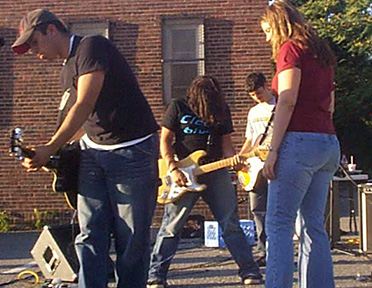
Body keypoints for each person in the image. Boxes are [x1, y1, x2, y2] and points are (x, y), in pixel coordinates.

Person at [12, 9, 159, 288]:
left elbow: (85, 104)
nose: (33, 51)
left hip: (132, 152)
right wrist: (46, 152)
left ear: (51, 30)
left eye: (34, 43)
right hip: (93, 153)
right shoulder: (66, 71)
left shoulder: (91, 46)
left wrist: (50, 147)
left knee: (131, 237)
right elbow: (78, 121)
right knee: (90, 232)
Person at [147, 75, 262, 288]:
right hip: (182, 172)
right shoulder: (178, 107)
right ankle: (156, 275)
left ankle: (250, 272)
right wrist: (172, 168)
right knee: (172, 226)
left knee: (230, 223)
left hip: (214, 170)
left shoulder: (221, 110)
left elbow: (226, 144)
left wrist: (235, 162)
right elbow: (165, 140)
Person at [260, 1, 340, 288]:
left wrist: (273, 150)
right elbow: (330, 104)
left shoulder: (290, 49)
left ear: (279, 24)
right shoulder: (322, 53)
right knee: (313, 225)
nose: (268, 37)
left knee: (279, 225)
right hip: (328, 142)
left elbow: (288, 99)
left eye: (269, 30)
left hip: (298, 141)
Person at [238, 72, 275, 267]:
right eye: (252, 95)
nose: (257, 97)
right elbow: (250, 140)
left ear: (266, 85)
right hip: (255, 165)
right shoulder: (253, 112)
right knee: (257, 209)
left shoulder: (279, 106)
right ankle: (262, 251)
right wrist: (240, 158)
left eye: (259, 92)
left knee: (277, 209)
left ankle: (277, 251)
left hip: (275, 162)